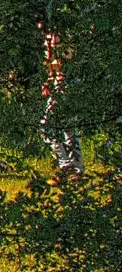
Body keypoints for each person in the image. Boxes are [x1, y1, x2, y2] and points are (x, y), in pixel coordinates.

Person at [39, 24, 85, 178]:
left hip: (64, 86)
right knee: (67, 127)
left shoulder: (62, 37)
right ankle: (74, 165)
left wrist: (51, 71)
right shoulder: (50, 38)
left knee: (49, 126)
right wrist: (48, 80)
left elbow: (64, 63)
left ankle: (68, 163)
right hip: (58, 85)